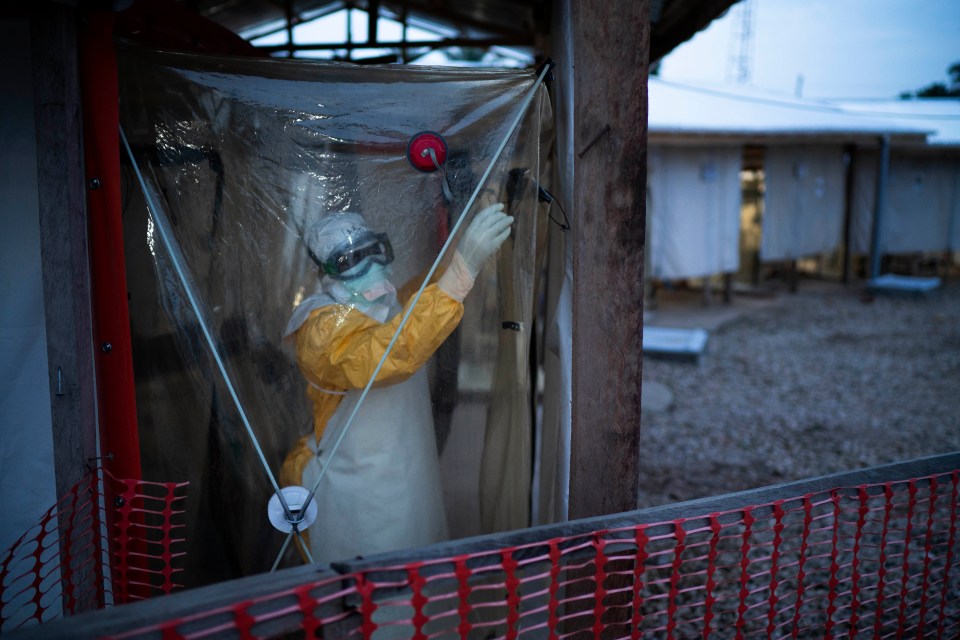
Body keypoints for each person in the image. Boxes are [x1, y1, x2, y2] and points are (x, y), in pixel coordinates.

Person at [279, 203, 513, 563]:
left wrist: (458, 243)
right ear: (325, 270)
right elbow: (385, 354)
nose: (372, 266)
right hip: (361, 487)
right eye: (352, 258)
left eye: (374, 251)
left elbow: (419, 300)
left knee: (418, 567)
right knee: (373, 586)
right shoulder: (320, 328)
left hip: (408, 472)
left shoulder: (383, 304)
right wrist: (461, 272)